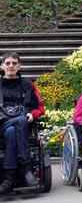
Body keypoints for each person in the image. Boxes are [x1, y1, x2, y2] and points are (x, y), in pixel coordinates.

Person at [0, 52, 45, 193]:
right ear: (2, 66)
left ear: (19, 66)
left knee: (12, 131)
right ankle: (26, 168)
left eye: (14, 63)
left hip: (20, 127)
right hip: (2, 124)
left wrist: (33, 114)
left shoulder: (27, 85)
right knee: (19, 121)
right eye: (7, 63)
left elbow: (39, 107)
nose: (11, 66)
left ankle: (8, 179)